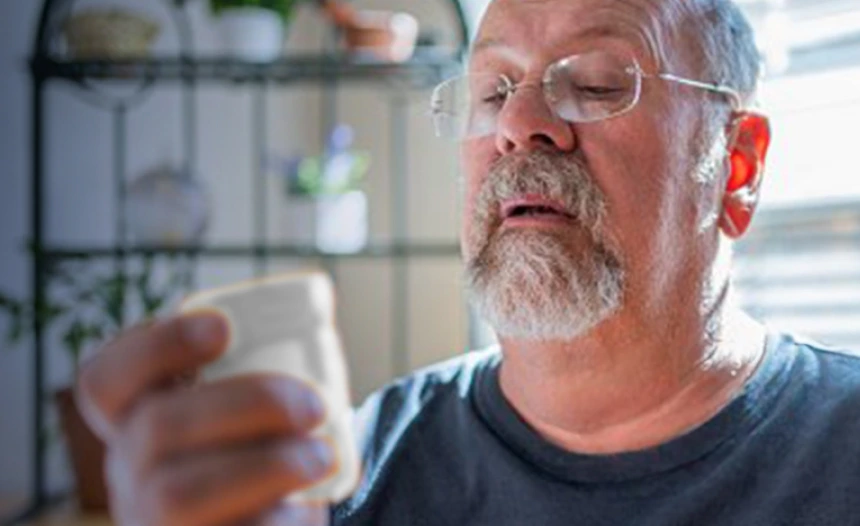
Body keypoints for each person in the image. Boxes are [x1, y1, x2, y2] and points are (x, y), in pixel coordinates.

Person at [76, 0, 860, 524]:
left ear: (736, 167)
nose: (518, 123)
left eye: (596, 83)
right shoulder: (337, 478)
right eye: (491, 91)